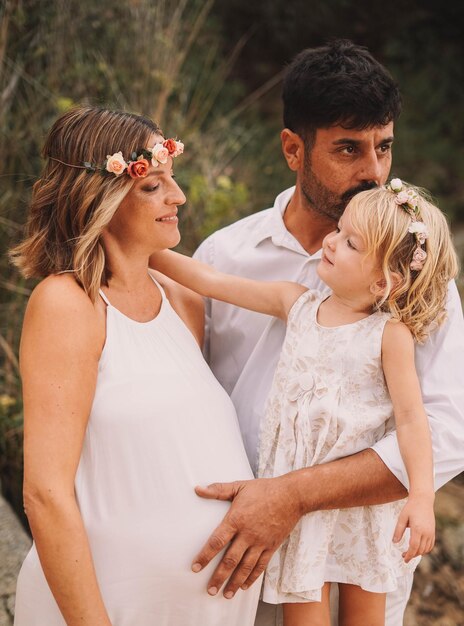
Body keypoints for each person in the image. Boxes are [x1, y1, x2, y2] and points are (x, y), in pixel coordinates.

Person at [188, 39, 464, 624]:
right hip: (234, 557)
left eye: (384, 147)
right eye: (348, 149)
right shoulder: (229, 256)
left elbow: (445, 427)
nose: (375, 173)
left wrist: (292, 496)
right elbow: (189, 394)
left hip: (360, 551)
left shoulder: (413, 274)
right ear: (294, 148)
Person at [152, 179, 458, 624]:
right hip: (299, 503)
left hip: (361, 509)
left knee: (365, 616)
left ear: (383, 281)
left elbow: (413, 422)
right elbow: (210, 280)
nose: (330, 243)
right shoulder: (293, 303)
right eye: (339, 230)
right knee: (303, 613)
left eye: (350, 242)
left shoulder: (390, 335)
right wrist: (138, 243)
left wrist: (423, 498)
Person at [10, 106, 260, 626]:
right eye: (153, 186)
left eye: (174, 181)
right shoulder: (68, 304)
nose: (179, 198)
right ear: (97, 196)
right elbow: (45, 493)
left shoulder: (182, 300)